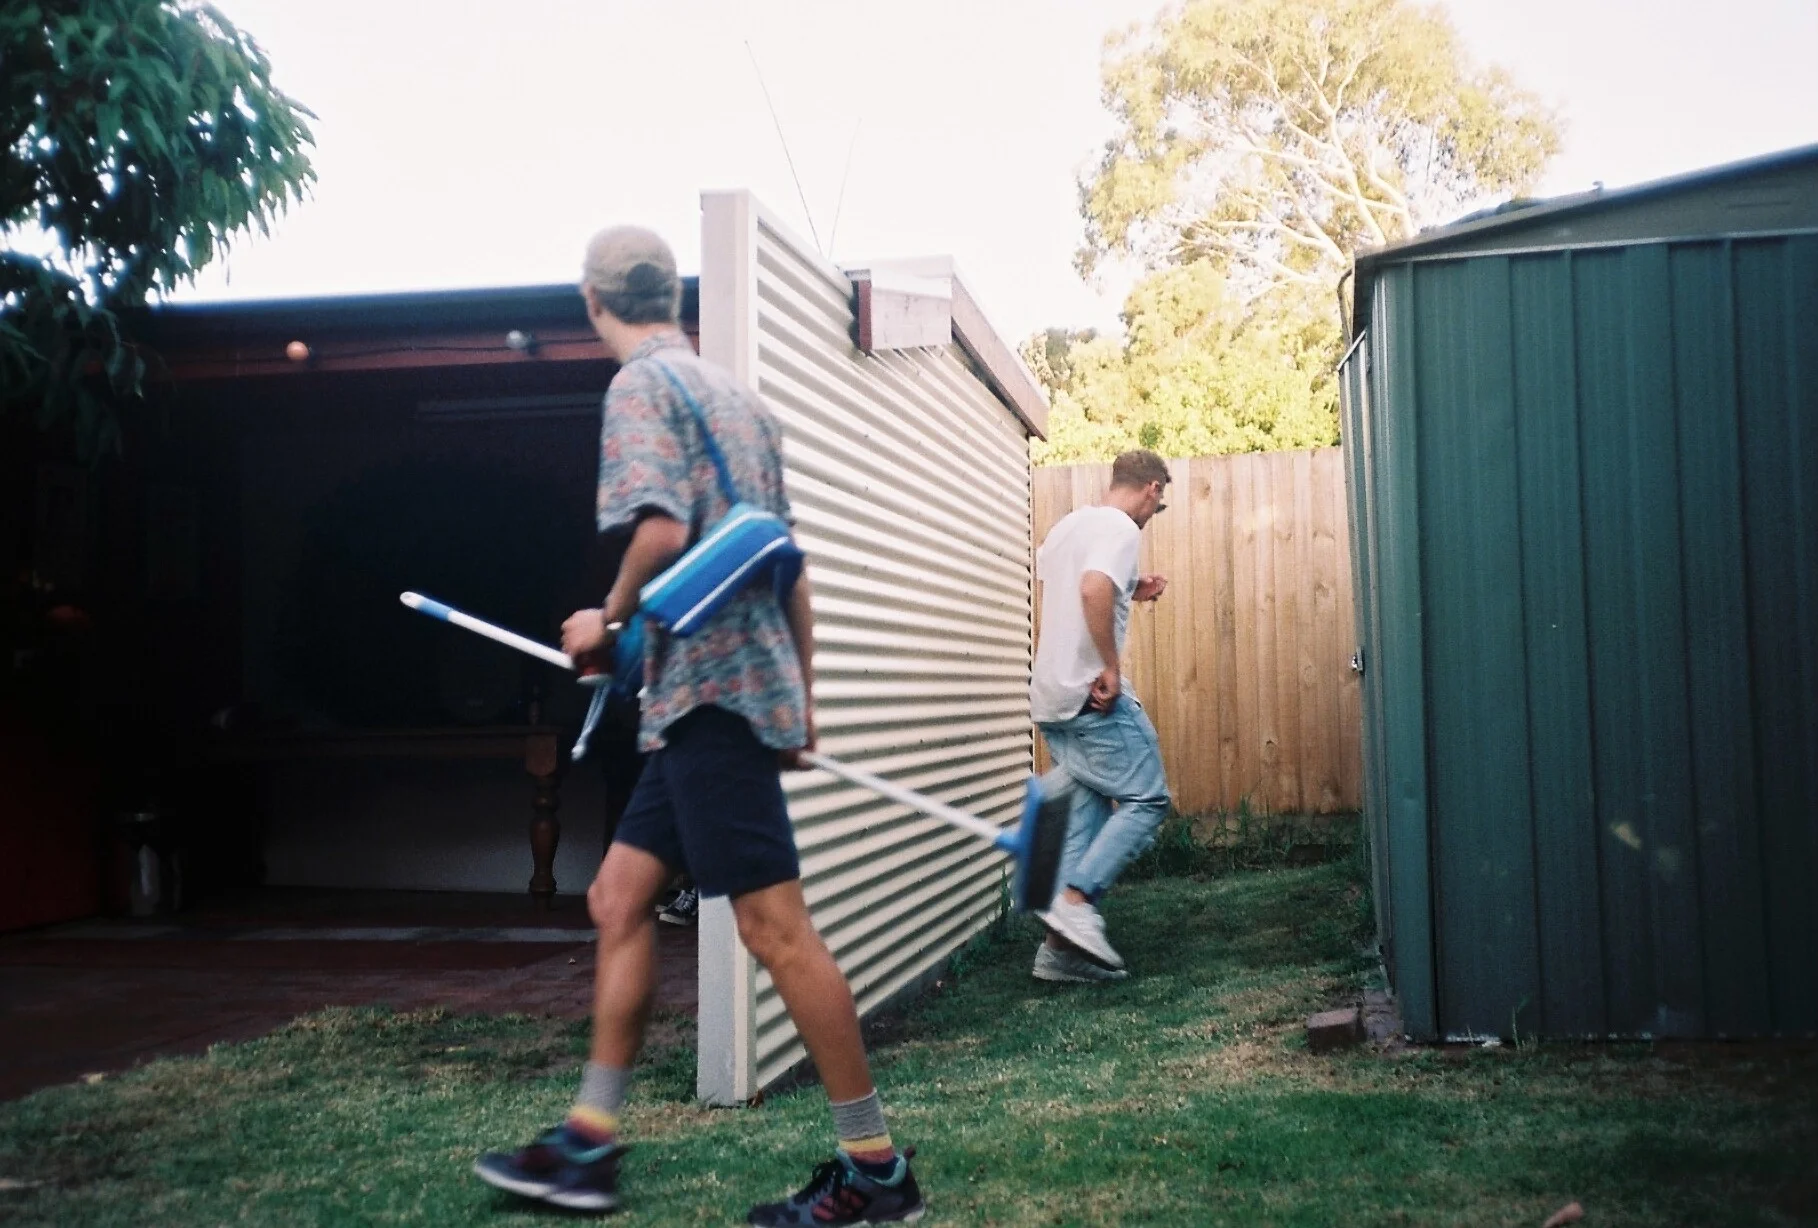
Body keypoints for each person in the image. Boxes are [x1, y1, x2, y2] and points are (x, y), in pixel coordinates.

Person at [473, 226, 922, 1224]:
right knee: (619, 896)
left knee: (774, 929)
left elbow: (664, 530)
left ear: (594, 300)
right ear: (669, 297)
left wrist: (606, 622)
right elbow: (786, 566)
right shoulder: (741, 401)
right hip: (715, 699)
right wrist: (799, 699)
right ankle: (589, 1143)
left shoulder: (641, 387)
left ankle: (877, 1170)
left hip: (710, 699)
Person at [1028, 448, 1174, 983]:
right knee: (1147, 797)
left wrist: (1132, 588)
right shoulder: (1120, 527)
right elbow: (1092, 588)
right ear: (1152, 488)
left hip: (1050, 697)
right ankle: (1074, 901)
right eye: (1159, 503)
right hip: (1089, 695)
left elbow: (1076, 590)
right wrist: (1110, 666)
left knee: (1085, 812)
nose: (1153, 513)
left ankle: (1058, 953)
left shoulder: (1069, 527)